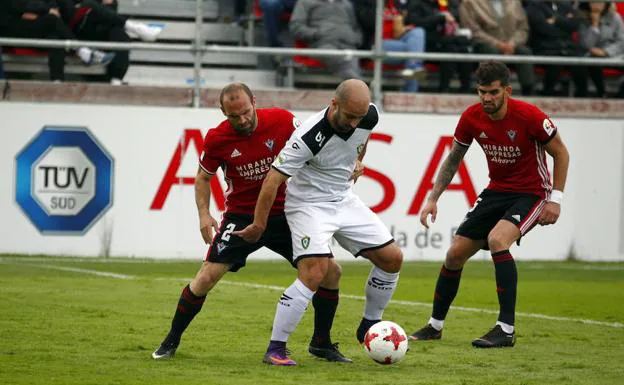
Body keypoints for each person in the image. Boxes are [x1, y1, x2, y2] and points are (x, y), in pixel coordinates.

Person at [151, 83, 351, 364]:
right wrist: (204, 214)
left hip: (286, 213)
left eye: (246, 112)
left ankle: (322, 343)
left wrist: (349, 161)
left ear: (254, 101)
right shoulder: (217, 138)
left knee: (331, 272)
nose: (243, 120)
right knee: (206, 277)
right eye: (235, 116)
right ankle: (170, 341)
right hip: (242, 218)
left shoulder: (282, 121)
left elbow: (317, 145)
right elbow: (203, 177)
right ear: (223, 112)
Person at [235, 79, 404, 365]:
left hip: (343, 199)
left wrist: (359, 160)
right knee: (316, 271)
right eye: (349, 116)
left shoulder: (368, 116)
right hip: (308, 205)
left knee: (392, 258)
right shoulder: (308, 136)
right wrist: (258, 225)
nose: (353, 123)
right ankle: (275, 348)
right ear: (334, 104)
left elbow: (361, 139)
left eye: (358, 118)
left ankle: (368, 326)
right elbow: (272, 180)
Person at [409, 61, 569, 348]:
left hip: (532, 192)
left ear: (506, 90)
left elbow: (561, 153)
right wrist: (433, 198)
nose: (486, 98)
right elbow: (454, 157)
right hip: (496, 191)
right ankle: (435, 326)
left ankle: (505, 329)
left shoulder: (530, 116)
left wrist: (555, 199)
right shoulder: (471, 117)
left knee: (498, 240)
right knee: (455, 253)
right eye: (482, 92)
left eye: (493, 92)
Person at [0, 0, 115, 82]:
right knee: (52, 20)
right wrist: (46, 10)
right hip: (11, 28)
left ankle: (57, 82)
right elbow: (19, 6)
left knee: (56, 38)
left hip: (32, 23)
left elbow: (46, 5)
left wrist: (43, 10)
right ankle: (83, 50)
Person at [57, 0, 162, 85]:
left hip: (97, 28)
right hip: (73, 31)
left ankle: (116, 79)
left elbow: (111, 14)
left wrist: (110, 3)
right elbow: (66, 12)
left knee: (119, 33)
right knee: (89, 4)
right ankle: (135, 27)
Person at [459, 0, 536, 96]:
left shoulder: (514, 2)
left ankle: (528, 91)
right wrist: (497, 44)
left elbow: (523, 28)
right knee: (490, 51)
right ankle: (490, 89)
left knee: (525, 52)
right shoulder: (469, 3)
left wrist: (512, 44)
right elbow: (473, 30)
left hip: (511, 43)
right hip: (484, 43)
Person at [353, 0, 427, 93]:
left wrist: (405, 28)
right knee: (413, 52)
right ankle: (413, 76)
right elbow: (368, 22)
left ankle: (413, 67)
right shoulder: (367, 3)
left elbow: (407, 21)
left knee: (418, 31)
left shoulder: (396, 4)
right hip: (376, 44)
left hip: (398, 44)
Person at [403, 0, 473, 94]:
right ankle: (444, 90)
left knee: (464, 51)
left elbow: (455, 15)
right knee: (449, 50)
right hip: (424, 46)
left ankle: (466, 90)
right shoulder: (416, 3)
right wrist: (440, 18)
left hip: (444, 42)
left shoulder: (446, 3)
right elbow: (417, 24)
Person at [525, 0, 589, 97]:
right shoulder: (534, 6)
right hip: (544, 48)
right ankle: (547, 96)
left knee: (580, 63)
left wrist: (557, 20)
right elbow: (544, 28)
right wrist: (565, 25)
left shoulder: (565, 5)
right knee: (555, 63)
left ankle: (583, 98)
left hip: (566, 48)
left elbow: (575, 24)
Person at [289, 0, 362, 80]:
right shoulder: (305, 2)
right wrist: (316, 33)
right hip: (322, 45)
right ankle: (358, 84)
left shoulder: (347, 4)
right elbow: (295, 27)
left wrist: (355, 38)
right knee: (347, 62)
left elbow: (356, 27)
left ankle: (354, 83)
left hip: (348, 45)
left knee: (350, 58)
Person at [578, 1, 624, 98]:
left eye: (600, 3)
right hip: (591, 53)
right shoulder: (583, 18)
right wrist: (594, 25)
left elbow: (621, 41)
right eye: (593, 2)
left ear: (606, 4)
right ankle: (601, 93)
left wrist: (606, 52)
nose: (597, 6)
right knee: (591, 63)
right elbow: (585, 44)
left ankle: (620, 96)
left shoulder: (615, 17)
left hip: (613, 54)